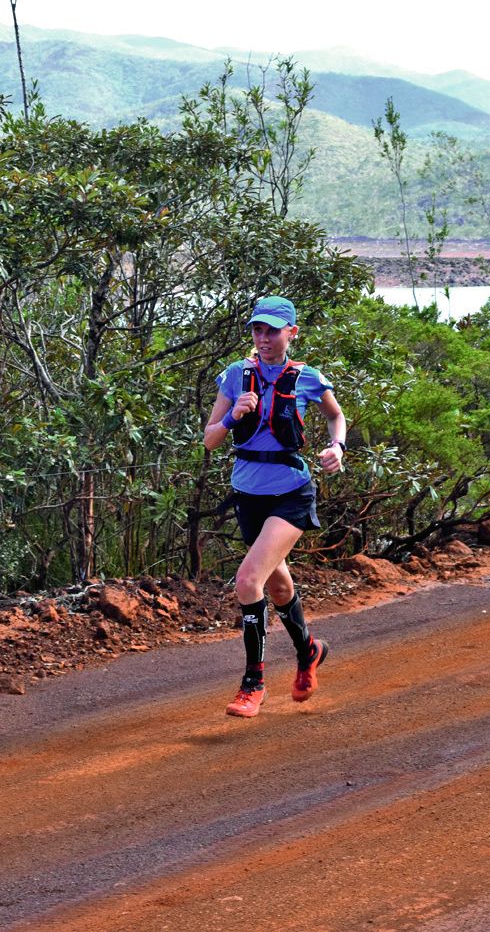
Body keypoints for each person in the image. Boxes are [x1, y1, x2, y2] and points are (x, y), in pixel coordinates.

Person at [203, 295, 346, 718]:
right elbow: (210, 439)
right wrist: (231, 418)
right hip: (249, 494)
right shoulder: (235, 376)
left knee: (248, 581)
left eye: (272, 330)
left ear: (292, 333)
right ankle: (310, 651)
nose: (263, 338)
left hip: (291, 492)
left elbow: (336, 416)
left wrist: (337, 446)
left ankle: (253, 684)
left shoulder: (307, 378)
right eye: (257, 330)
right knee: (279, 587)